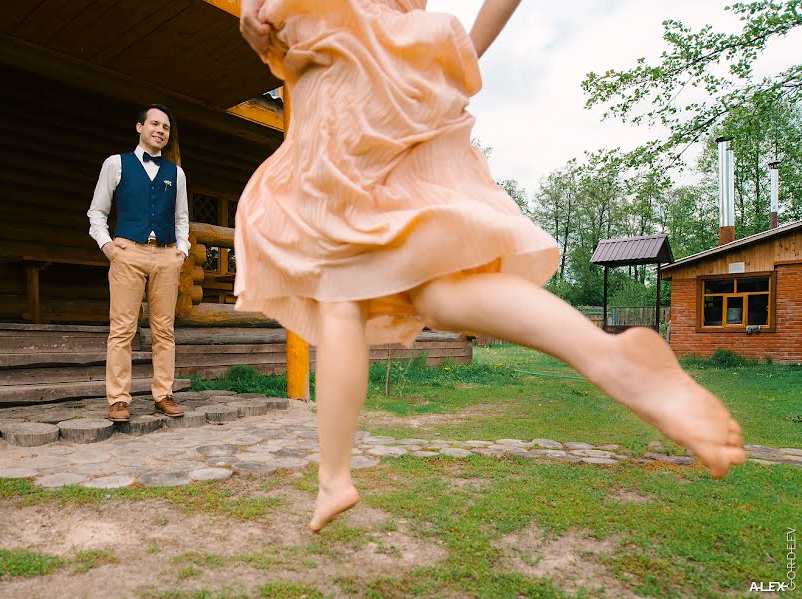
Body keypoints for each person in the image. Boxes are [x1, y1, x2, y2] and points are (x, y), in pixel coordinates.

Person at [236, 0, 746, 532]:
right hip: (405, 72)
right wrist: (461, 55)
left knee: (337, 285)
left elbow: (261, 16)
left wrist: (255, 15)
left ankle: (334, 476)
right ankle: (606, 356)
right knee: (429, 293)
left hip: (339, 83)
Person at [87, 104, 189, 422]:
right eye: (154, 124)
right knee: (122, 329)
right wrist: (107, 246)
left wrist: (181, 251)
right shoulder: (116, 164)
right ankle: (118, 399)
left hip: (166, 255)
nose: (160, 130)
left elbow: (182, 217)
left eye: (166, 127)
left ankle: (163, 394)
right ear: (140, 127)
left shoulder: (176, 172)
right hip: (128, 252)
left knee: (164, 330)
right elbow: (97, 212)